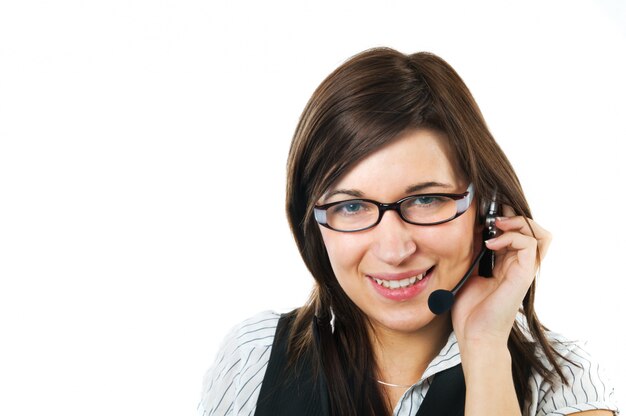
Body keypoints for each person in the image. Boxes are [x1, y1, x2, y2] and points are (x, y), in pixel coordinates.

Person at [198, 48, 619, 416]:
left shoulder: (562, 383)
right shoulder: (253, 357)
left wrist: (485, 346)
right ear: (313, 223)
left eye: (425, 200)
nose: (395, 249)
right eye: (351, 206)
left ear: (487, 209)